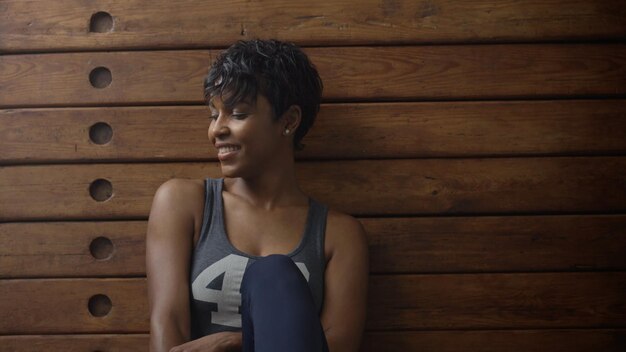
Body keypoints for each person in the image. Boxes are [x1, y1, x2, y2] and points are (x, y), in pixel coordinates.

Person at [146, 39, 369, 352]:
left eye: (237, 114)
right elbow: (167, 323)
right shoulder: (183, 203)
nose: (216, 130)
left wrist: (236, 343)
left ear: (289, 120)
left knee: (273, 273)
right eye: (214, 115)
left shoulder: (338, 235)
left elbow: (339, 346)